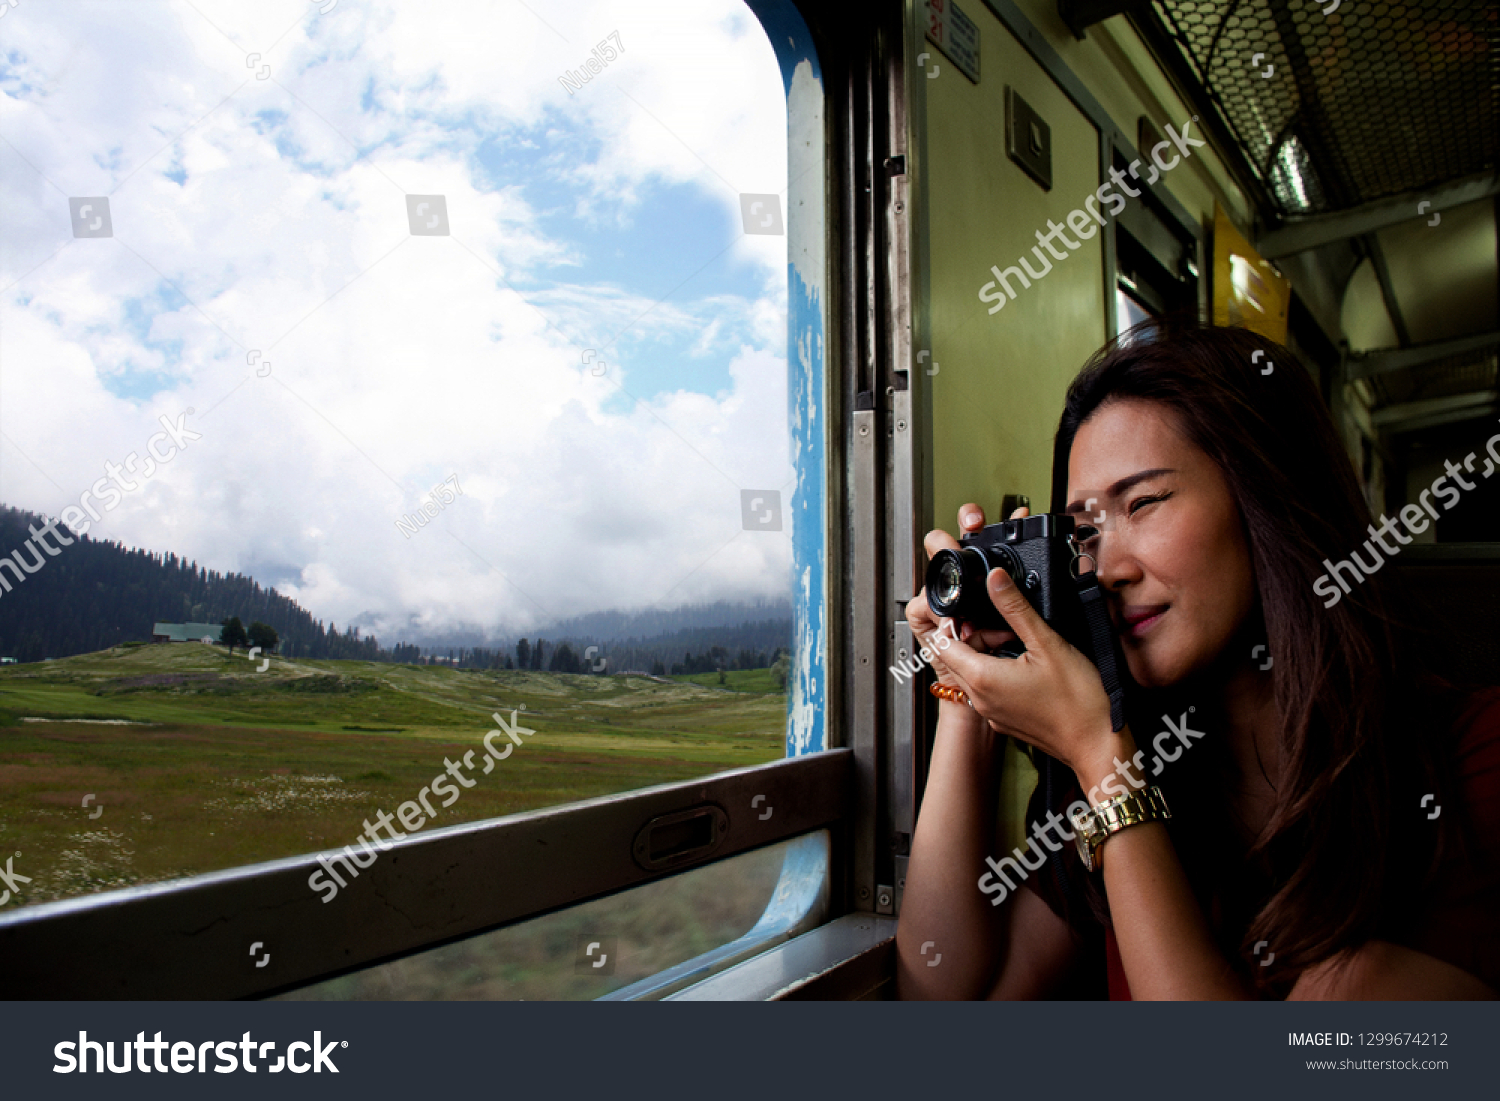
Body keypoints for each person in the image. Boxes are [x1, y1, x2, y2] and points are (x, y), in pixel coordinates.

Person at [896, 321, 1500, 999]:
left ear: (1268, 497)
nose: (1109, 567)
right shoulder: (1133, 751)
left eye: (1146, 502)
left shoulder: (1473, 756)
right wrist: (964, 684)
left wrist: (1106, 764)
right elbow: (943, 996)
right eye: (1086, 532)